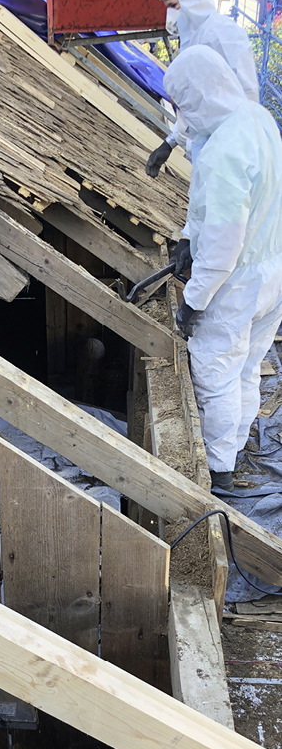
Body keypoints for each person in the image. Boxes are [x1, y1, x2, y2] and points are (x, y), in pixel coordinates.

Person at [162, 46, 282, 493]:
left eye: (183, 105)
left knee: (215, 373)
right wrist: (187, 237)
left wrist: (194, 302)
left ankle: (218, 471)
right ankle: (233, 449)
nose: (182, 115)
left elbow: (224, 243)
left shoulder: (224, 152)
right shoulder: (255, 118)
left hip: (239, 280)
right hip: (273, 268)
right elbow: (208, 203)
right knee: (249, 367)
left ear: (198, 96)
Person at [146, 0, 259, 179]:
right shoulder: (194, 39)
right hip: (208, 149)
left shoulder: (223, 33)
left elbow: (247, 94)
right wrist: (171, 142)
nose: (172, 16)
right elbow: (195, 103)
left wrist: (240, 149)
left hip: (229, 150)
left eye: (174, 6)